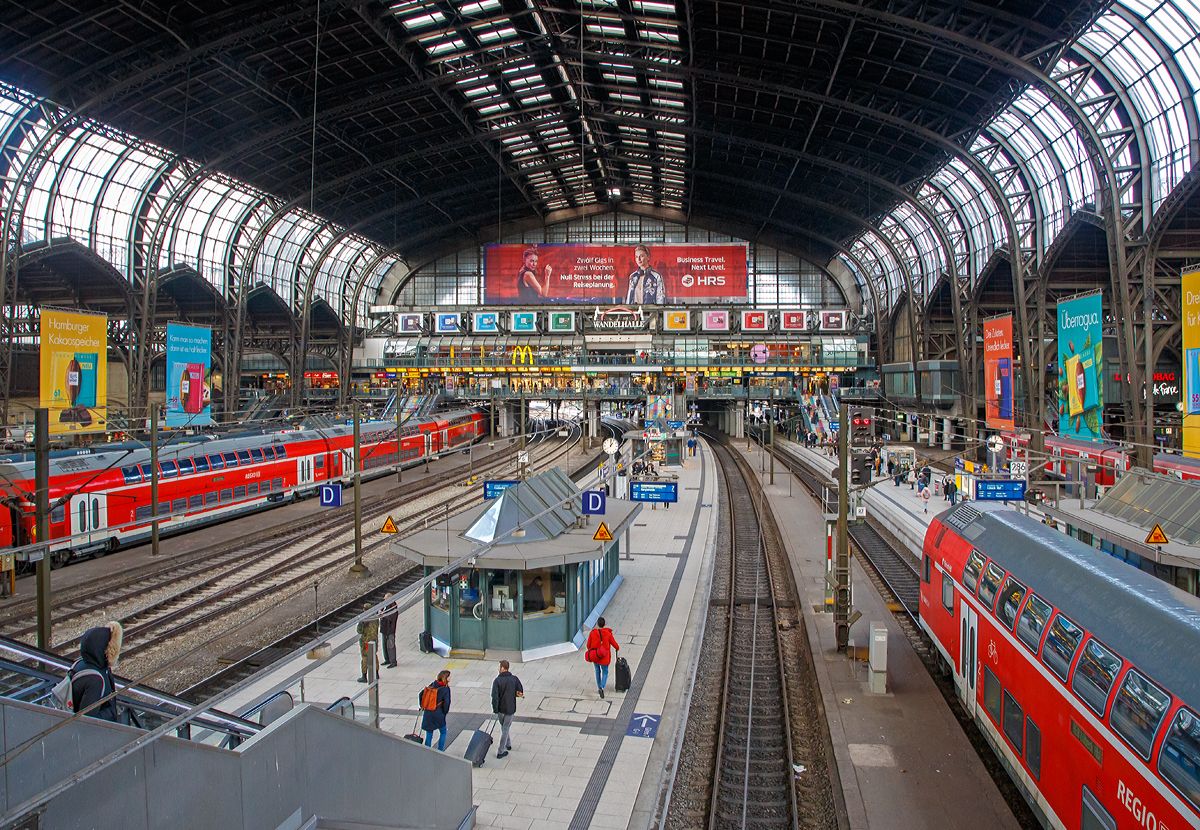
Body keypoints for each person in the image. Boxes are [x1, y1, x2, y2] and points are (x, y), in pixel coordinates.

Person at [72, 621, 124, 723]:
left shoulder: (81, 664)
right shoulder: (95, 680)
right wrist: (112, 712)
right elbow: (88, 720)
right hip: (95, 736)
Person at [490, 660, 524, 759]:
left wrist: (495, 709)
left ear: (503, 668)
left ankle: (505, 747)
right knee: (506, 728)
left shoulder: (497, 681)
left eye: (499, 667)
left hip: (501, 709)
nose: (498, 669)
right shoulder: (514, 679)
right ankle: (503, 748)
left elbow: (494, 697)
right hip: (510, 708)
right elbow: (520, 691)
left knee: (504, 727)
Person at [585, 616, 620, 699]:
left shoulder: (592, 633)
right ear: (605, 624)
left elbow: (588, 646)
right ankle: (602, 687)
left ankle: (598, 687)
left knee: (597, 671)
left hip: (595, 656)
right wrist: (617, 648)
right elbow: (615, 645)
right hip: (604, 657)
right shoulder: (608, 634)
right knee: (605, 672)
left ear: (597, 624)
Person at [420, 670, 452, 751]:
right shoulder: (445, 689)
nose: (450, 677)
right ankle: (440, 750)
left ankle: (427, 750)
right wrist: (445, 713)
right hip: (439, 714)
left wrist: (423, 705)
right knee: (443, 732)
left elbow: (421, 694)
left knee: (429, 733)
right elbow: (446, 703)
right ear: (445, 678)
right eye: (449, 676)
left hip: (428, 713)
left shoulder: (433, 684)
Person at [357, 603, 379, 683]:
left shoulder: (364, 619)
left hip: (366, 642)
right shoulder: (375, 617)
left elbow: (359, 630)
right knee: (374, 655)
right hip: (374, 640)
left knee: (365, 657)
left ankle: (364, 675)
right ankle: (376, 673)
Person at [380, 594, 398, 669]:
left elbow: (390, 618)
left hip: (390, 630)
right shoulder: (386, 606)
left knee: (390, 646)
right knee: (384, 645)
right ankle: (387, 659)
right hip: (385, 629)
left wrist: (382, 614)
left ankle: (393, 661)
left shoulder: (393, 607)